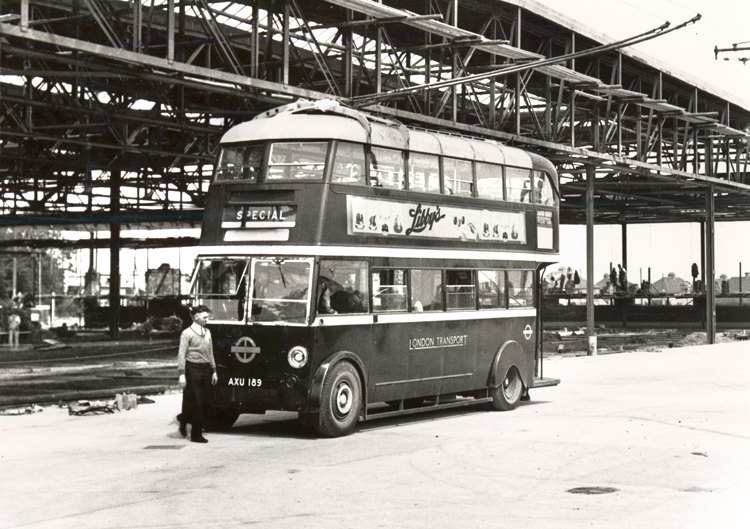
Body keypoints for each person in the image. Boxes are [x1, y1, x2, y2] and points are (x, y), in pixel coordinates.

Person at [176, 305, 217, 443]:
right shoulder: (187, 333)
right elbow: (181, 354)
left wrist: (214, 370)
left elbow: (210, 352)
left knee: (205, 401)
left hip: (206, 369)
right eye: (204, 317)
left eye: (208, 317)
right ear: (196, 317)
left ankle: (184, 418)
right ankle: (196, 435)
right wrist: (181, 374)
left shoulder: (208, 332)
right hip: (192, 368)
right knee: (197, 402)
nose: (207, 319)